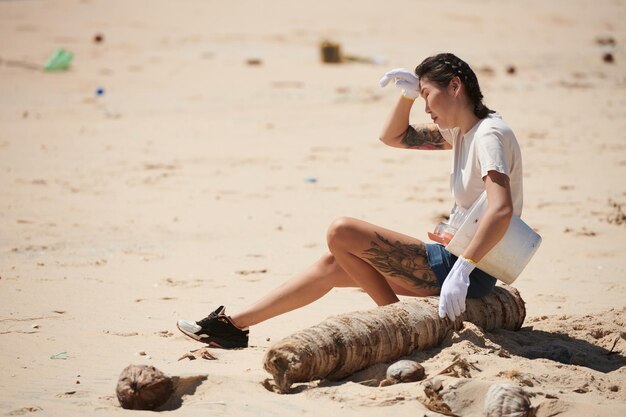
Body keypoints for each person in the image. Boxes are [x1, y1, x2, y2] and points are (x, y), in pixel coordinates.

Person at [177, 53, 523, 349]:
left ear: (455, 86)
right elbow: (394, 137)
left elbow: (501, 208)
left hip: (463, 269)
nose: (426, 106)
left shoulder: (489, 135)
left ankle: (401, 326)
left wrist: (462, 270)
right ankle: (232, 327)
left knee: (342, 232)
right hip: (453, 260)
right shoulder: (462, 132)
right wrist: (406, 98)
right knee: (332, 264)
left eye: (426, 94)